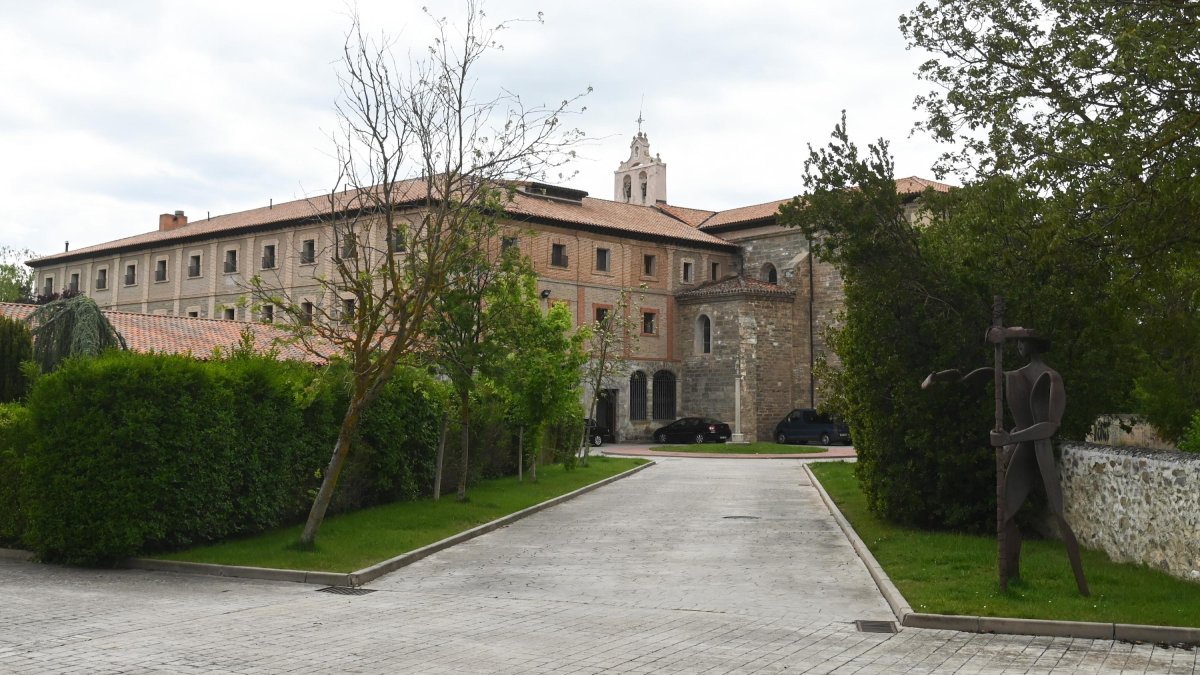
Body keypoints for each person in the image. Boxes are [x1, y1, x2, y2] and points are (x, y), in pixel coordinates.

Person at [923, 327, 1089, 596]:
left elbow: (1049, 427)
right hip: (1023, 450)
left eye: (1021, 342)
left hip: (1040, 450)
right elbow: (984, 375)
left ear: (1031, 345)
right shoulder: (1017, 375)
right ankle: (1010, 576)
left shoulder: (1051, 378)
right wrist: (943, 378)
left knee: (1059, 515)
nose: (1018, 347)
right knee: (1006, 515)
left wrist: (1009, 439)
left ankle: (1082, 585)